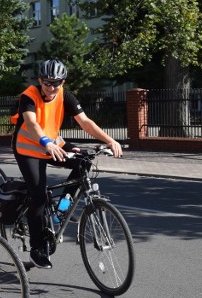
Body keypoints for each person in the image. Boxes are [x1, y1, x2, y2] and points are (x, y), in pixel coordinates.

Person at [11, 58, 123, 269]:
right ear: (39, 80)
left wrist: (109, 140)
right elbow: (31, 123)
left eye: (57, 83)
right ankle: (37, 249)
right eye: (47, 82)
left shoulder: (65, 95)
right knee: (38, 195)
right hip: (28, 149)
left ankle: (61, 209)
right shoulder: (29, 96)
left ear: (63, 82)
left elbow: (85, 122)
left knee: (83, 162)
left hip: (52, 144)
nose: (52, 87)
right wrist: (45, 142)